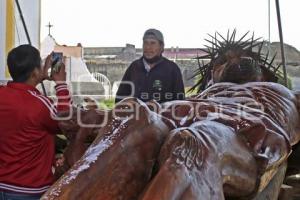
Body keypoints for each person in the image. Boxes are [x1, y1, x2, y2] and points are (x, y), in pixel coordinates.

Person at [0, 44, 72, 200]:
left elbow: (22, 92)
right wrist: (61, 83)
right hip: (29, 190)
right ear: (34, 72)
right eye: (40, 64)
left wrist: (38, 76)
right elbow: (67, 122)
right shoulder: (40, 105)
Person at [115, 28, 185, 103]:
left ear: (161, 47)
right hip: (137, 114)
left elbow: (179, 102)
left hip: (162, 114)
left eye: (153, 43)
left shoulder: (172, 69)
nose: (148, 47)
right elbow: (120, 98)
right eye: (145, 43)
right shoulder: (134, 67)